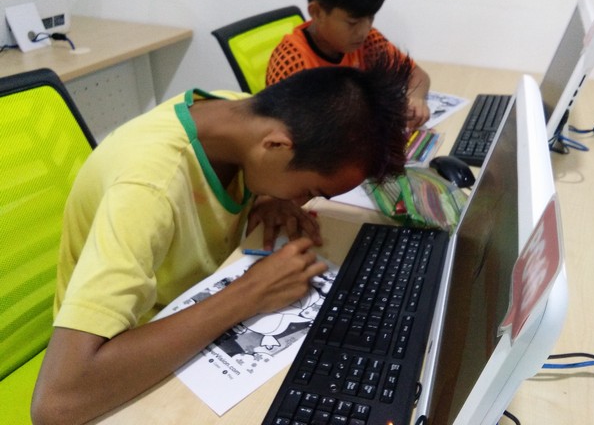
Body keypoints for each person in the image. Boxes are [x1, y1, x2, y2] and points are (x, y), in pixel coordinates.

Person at [30, 53, 412, 425]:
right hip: (121, 360)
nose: (302, 201)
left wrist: (270, 196)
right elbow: (55, 403)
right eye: (309, 189)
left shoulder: (238, 112)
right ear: (276, 146)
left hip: (187, 306)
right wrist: (248, 294)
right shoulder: (148, 190)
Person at [266, 0, 431, 130]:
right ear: (317, 12)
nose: (364, 31)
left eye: (370, 18)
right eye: (353, 23)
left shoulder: (368, 42)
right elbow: (284, 134)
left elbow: (418, 75)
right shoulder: (292, 62)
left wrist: (415, 98)